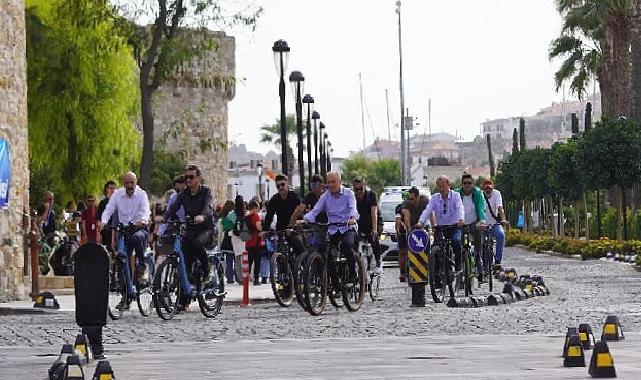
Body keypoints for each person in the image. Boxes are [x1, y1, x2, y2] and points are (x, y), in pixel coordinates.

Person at [164, 165, 216, 289]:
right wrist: (164, 218)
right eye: (186, 177)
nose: (188, 180)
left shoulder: (206, 192)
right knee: (184, 250)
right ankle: (187, 286)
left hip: (206, 230)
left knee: (197, 243)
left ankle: (207, 270)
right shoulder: (183, 194)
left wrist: (202, 217)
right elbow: (173, 208)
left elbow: (208, 207)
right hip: (190, 229)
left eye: (191, 177)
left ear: (198, 178)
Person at [302, 171, 359, 282]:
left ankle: (353, 273)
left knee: (346, 246)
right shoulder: (325, 196)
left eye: (333, 182)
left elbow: (353, 208)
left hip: (347, 227)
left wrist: (352, 218)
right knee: (327, 254)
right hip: (332, 229)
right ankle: (335, 282)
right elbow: (315, 211)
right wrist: (305, 219)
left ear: (340, 182)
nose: (331, 185)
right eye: (329, 182)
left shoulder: (349, 194)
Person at [99, 172, 151, 291]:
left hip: (139, 228)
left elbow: (145, 211)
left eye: (132, 182)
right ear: (123, 184)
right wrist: (104, 221)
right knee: (122, 259)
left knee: (136, 238)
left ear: (136, 182)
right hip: (123, 230)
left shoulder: (142, 194)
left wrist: (142, 220)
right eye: (127, 183)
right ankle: (125, 294)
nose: (129, 185)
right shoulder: (117, 194)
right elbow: (109, 209)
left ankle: (142, 264)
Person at [417, 176, 465, 273]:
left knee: (456, 241)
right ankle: (437, 277)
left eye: (443, 186)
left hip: (454, 226)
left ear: (448, 185)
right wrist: (421, 222)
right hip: (441, 228)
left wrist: (461, 219)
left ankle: (458, 265)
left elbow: (460, 208)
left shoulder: (456, 196)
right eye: (439, 187)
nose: (442, 189)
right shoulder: (435, 198)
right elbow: (428, 210)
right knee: (435, 249)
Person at [455, 173, 486, 282]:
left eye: (469, 183)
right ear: (461, 184)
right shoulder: (457, 194)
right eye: (465, 183)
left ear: (473, 184)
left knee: (478, 244)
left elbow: (481, 208)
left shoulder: (477, 193)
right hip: (461, 223)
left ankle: (479, 262)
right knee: (460, 244)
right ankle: (462, 267)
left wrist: (481, 221)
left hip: (474, 222)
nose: (467, 185)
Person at [264, 174, 304, 255]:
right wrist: (265, 230)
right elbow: (269, 217)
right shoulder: (274, 200)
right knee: (280, 250)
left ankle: (301, 264)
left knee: (298, 244)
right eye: (278, 186)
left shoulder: (295, 197)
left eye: (282, 184)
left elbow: (301, 213)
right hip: (281, 229)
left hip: (294, 228)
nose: (281, 187)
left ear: (287, 184)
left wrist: (295, 226)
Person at [352, 178, 383, 274]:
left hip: (374, 222)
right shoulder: (352, 198)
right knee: (355, 241)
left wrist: (374, 229)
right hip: (360, 224)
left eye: (361, 189)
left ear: (365, 187)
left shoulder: (371, 196)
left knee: (374, 238)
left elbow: (374, 212)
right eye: (356, 190)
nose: (359, 192)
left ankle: (378, 261)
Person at [399, 187, 429, 282]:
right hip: (410, 225)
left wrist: (434, 228)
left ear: (418, 197)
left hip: (422, 225)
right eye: (409, 198)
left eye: (412, 199)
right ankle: (402, 271)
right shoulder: (406, 203)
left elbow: (431, 214)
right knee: (403, 249)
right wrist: (409, 231)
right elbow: (406, 218)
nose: (410, 201)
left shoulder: (425, 201)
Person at [482, 179, 509, 269]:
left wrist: (503, 220)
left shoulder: (497, 194)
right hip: (482, 224)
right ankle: (484, 263)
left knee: (500, 235)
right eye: (486, 188)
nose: (488, 190)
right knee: (482, 241)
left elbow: (500, 208)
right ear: (483, 188)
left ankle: (497, 261)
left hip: (494, 223)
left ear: (492, 187)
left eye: (490, 188)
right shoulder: (479, 195)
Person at [217, 200, 237, 284]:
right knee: (237, 260)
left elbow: (219, 231)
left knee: (228, 261)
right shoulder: (234, 216)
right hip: (234, 239)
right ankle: (237, 276)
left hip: (225, 240)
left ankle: (229, 278)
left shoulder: (222, 218)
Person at [245, 199, 264, 285]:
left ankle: (245, 279)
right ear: (255, 207)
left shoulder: (246, 216)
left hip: (248, 242)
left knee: (249, 262)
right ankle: (256, 280)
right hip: (256, 242)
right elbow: (259, 227)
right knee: (257, 262)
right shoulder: (255, 216)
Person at [97, 181, 117, 253]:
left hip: (116, 230)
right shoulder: (102, 203)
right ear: (106, 189)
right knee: (106, 251)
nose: (112, 190)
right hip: (105, 231)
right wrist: (99, 232)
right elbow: (98, 219)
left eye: (114, 188)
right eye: (110, 188)